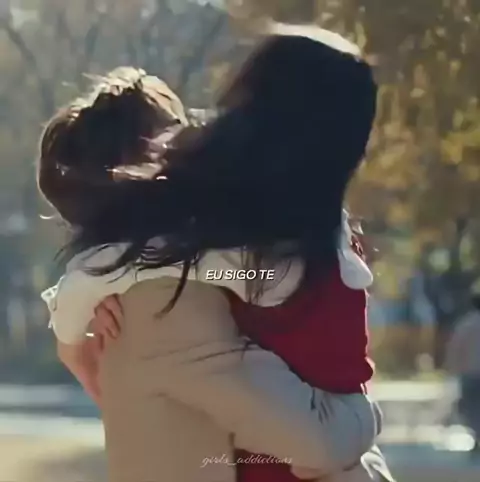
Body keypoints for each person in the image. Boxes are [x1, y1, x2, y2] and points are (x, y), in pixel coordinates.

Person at [38, 64, 389, 482]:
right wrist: (362, 412)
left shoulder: (173, 265)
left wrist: (70, 325)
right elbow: (320, 442)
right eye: (175, 137)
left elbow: (103, 270)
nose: (195, 147)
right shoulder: (165, 298)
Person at [446, 294, 480, 458]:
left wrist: (453, 369)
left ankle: (477, 437)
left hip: (469, 374)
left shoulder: (465, 324)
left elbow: (456, 348)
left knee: (472, 409)